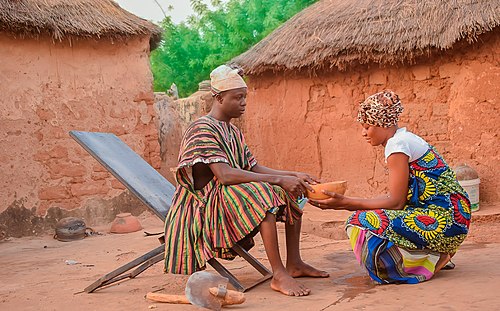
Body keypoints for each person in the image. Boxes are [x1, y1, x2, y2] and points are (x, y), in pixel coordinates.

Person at [164, 64, 328, 296]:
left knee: (292, 190)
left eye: (245, 97)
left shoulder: (233, 131)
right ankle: (278, 274)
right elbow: (225, 175)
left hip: (225, 196)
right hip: (203, 203)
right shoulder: (202, 129)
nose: (243, 103)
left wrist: (292, 175)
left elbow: (252, 167)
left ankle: (295, 263)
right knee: (263, 193)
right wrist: (277, 181)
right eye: (237, 97)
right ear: (219, 98)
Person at [309, 90, 471, 284]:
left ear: (383, 124)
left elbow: (395, 202)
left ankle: (424, 263)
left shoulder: (397, 145)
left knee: (361, 221)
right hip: (455, 217)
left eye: (367, 126)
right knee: (380, 215)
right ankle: (432, 254)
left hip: (446, 220)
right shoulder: (404, 139)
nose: (363, 133)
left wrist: (346, 203)